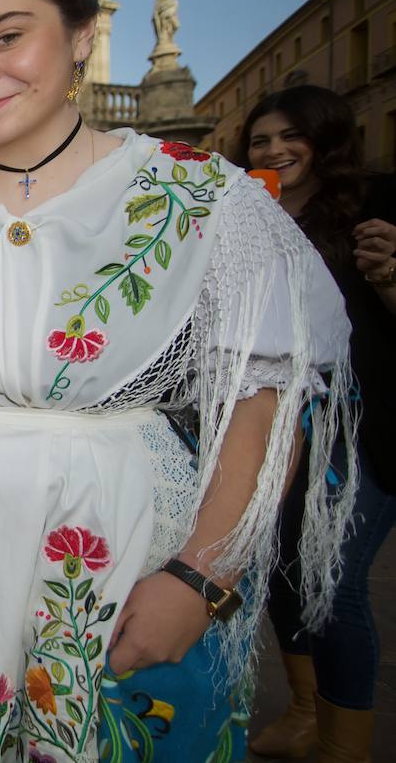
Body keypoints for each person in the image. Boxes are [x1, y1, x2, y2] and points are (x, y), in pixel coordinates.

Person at [0, 0, 354, 762]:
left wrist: (201, 580)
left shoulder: (198, 198)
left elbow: (263, 397)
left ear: (82, 34)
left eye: (7, 36)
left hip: (122, 565)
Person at [242, 85, 395, 763]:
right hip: (280, 428)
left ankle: (346, 743)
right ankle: (307, 710)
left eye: (288, 136)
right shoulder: (250, 221)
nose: (274, 150)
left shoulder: (376, 206)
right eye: (260, 140)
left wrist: (390, 276)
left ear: (324, 140)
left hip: (366, 427)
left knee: (331, 576)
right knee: (279, 570)